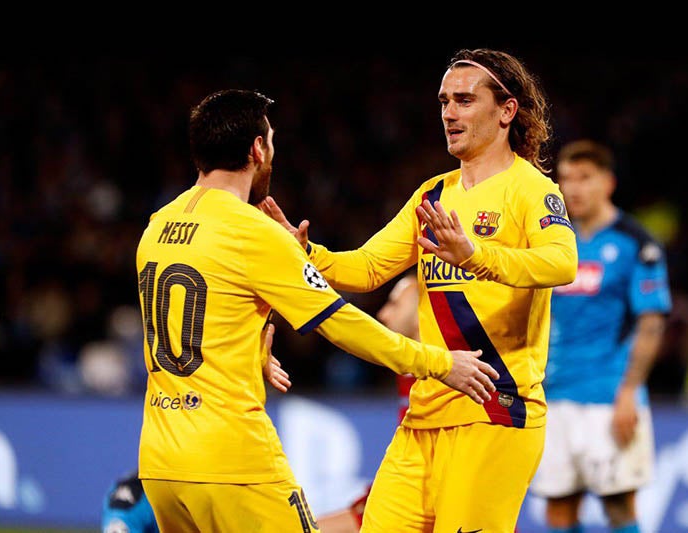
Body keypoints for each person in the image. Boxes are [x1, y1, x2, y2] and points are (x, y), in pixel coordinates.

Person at [134, 88, 500, 532]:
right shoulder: (253, 231)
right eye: (271, 141)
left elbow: (194, 321)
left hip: (159, 461)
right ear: (256, 149)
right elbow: (341, 323)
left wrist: (251, 353)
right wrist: (438, 363)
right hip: (231, 458)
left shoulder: (157, 226)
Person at [263, 48, 578, 532]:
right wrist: (305, 254)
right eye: (444, 101)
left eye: (465, 100)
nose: (450, 112)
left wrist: (475, 256)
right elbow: (367, 268)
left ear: (506, 111)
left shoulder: (532, 190)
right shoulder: (431, 195)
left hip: (493, 414)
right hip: (423, 416)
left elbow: (562, 262)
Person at [527, 139, 672, 533]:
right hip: (551, 395)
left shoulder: (636, 244)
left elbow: (651, 323)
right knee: (558, 509)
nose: (573, 188)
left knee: (619, 506)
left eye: (585, 178)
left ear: (607, 182)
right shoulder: (550, 242)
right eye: (566, 179)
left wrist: (629, 393)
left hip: (608, 397)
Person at [316, 273, 421, 533]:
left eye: (395, 303)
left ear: (424, 308)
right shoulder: (406, 371)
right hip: (407, 496)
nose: (383, 314)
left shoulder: (458, 376)